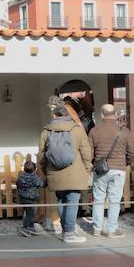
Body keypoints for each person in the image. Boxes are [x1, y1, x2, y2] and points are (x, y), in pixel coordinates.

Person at [39, 104, 94, 243]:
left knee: (61, 200)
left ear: (54, 116)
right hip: (75, 172)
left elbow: (41, 156)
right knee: (72, 201)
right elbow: (86, 153)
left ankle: (65, 230)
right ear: (68, 115)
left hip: (55, 173)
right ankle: (69, 233)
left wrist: (46, 171)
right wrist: (87, 169)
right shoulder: (78, 130)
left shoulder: (46, 131)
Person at [87, 103, 134, 238]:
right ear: (115, 115)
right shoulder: (125, 131)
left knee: (98, 200)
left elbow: (89, 153)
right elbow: (133, 153)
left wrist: (94, 164)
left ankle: (97, 229)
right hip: (118, 170)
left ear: (102, 115)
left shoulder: (94, 131)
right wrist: (124, 163)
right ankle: (111, 230)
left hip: (100, 171)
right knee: (115, 201)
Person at [15, 160, 45, 236]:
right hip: (31, 198)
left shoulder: (21, 176)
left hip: (23, 198)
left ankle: (31, 228)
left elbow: (17, 183)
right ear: (34, 170)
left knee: (30, 213)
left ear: (24, 169)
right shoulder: (34, 177)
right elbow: (40, 184)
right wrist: (44, 180)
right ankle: (25, 228)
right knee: (30, 215)